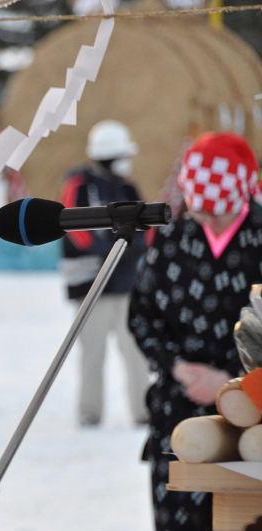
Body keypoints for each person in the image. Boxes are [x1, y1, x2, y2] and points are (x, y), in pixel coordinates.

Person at [129, 132, 262, 531]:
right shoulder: (171, 238)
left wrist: (231, 379)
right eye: (199, 210)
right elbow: (142, 315)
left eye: (217, 212)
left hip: (253, 409)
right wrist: (177, 367)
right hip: (178, 406)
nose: (207, 219)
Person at [59, 119, 150, 427]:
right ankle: (89, 413)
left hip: (125, 286)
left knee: (136, 352)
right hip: (91, 287)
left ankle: (143, 411)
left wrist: (134, 249)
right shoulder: (80, 184)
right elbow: (76, 230)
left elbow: (145, 229)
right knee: (92, 353)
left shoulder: (127, 187)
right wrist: (111, 250)